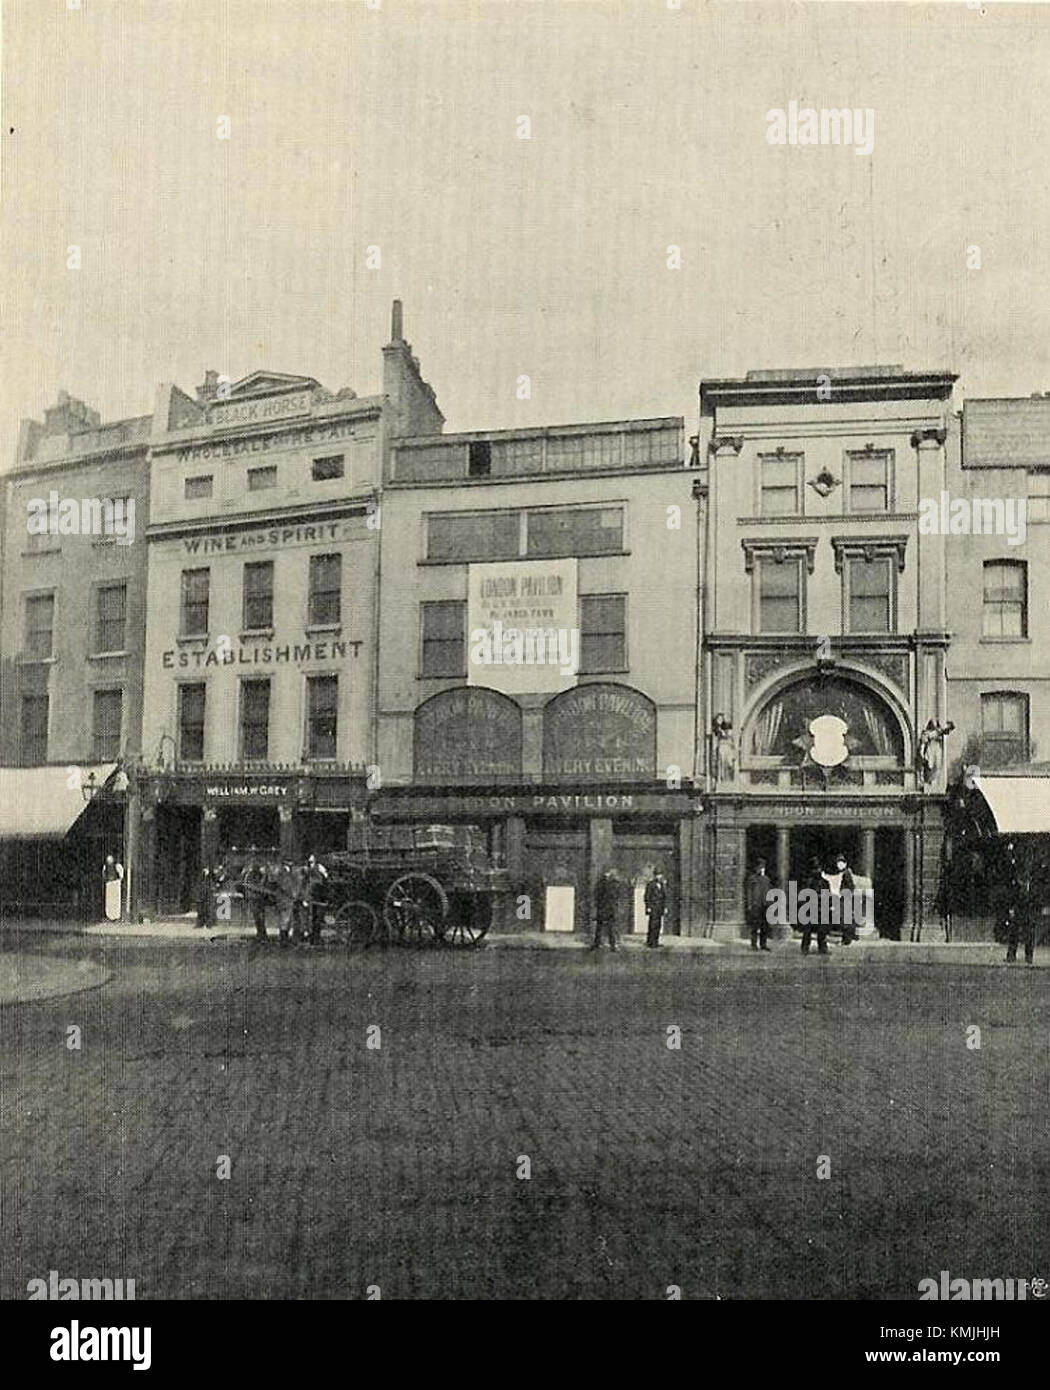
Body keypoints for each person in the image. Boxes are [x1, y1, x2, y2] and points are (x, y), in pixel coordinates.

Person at [822, 851, 857, 945]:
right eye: (838, 863)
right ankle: (847, 938)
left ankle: (847, 939)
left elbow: (851, 886)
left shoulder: (846, 873)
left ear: (845, 864)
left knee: (844, 918)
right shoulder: (843, 872)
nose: (839, 865)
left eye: (841, 863)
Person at [800, 856, 830, 956]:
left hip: (820, 908)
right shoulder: (809, 882)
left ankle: (822, 947)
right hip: (811, 908)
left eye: (818, 868)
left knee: (821, 931)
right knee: (808, 931)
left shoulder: (825, 883)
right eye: (815, 868)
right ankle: (805, 948)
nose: (817, 870)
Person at [1005, 870, 1036, 965]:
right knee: (1014, 931)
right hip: (1019, 910)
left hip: (1028, 911)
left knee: (1029, 933)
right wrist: (1012, 909)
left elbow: (1035, 898)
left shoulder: (1032, 887)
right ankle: (1011, 954)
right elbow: (1012, 898)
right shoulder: (1016, 887)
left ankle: (1029, 956)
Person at [301, 853, 330, 945]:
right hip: (310, 896)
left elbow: (325, 877)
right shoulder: (306, 869)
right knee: (310, 918)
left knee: (316, 918)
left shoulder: (319, 867)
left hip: (317, 895)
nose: (311, 861)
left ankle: (315, 937)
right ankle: (311, 937)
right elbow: (305, 884)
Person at [744, 858, 773, 951]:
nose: (761, 869)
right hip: (756, 905)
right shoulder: (752, 879)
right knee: (755, 927)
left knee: (764, 927)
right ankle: (754, 945)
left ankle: (763, 944)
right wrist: (749, 905)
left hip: (765, 905)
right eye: (760, 867)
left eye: (763, 867)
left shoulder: (766, 879)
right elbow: (749, 892)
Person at [591, 867, 621, 951]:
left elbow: (596, 895)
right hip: (608, 908)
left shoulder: (602, 883)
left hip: (605, 908)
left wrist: (598, 905)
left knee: (603, 927)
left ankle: (601, 944)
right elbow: (616, 896)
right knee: (607, 927)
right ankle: (611, 945)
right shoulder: (613, 883)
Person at [243, 850, 270, 942]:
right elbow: (251, 886)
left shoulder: (255, 875)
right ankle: (261, 934)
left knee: (260, 917)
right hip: (255, 898)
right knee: (258, 917)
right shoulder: (250, 875)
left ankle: (262, 934)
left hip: (257, 898)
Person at [644, 871, 668, 948]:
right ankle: (651, 942)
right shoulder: (650, 884)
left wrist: (665, 907)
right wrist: (648, 907)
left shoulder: (662, 885)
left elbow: (664, 897)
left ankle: (656, 941)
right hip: (653, 907)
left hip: (659, 908)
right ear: (655, 876)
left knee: (658, 925)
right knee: (652, 925)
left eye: (660, 875)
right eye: (658, 875)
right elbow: (647, 896)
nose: (659, 877)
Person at [196, 863, 215, 929]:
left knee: (208, 909)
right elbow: (199, 882)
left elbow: (213, 881)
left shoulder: (210, 874)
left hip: (208, 893)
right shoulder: (201, 874)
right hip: (202, 893)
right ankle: (200, 924)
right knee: (201, 909)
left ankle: (208, 924)